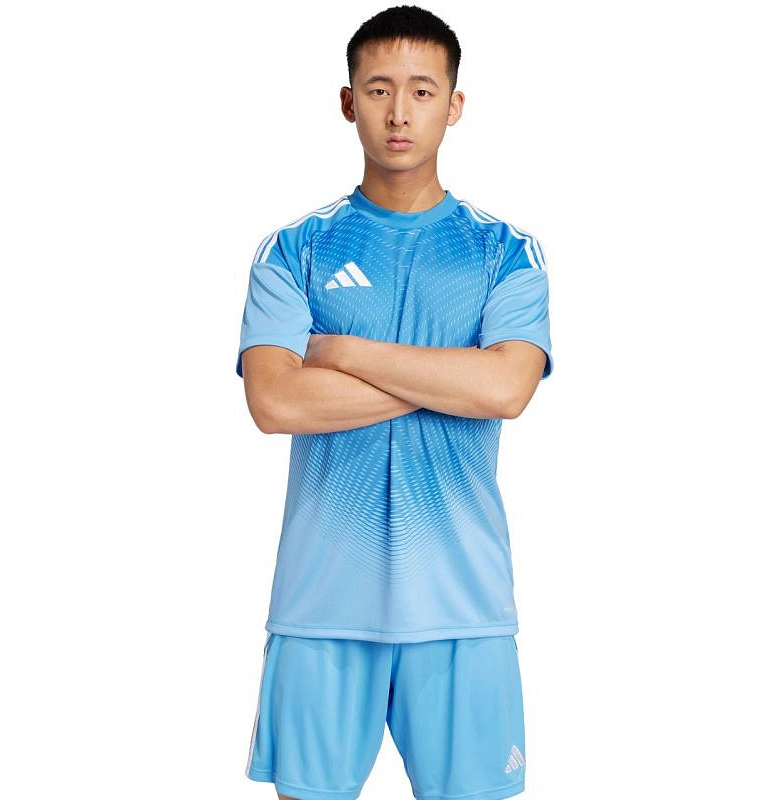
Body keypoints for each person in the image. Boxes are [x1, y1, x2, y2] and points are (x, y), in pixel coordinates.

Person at [235, 5, 553, 799]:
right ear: (349, 102)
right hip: (321, 601)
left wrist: (342, 352)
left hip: (462, 603)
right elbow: (275, 403)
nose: (399, 112)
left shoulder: (504, 251)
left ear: (455, 104)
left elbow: (506, 389)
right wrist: (451, 380)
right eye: (379, 89)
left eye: (421, 90)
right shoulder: (295, 249)